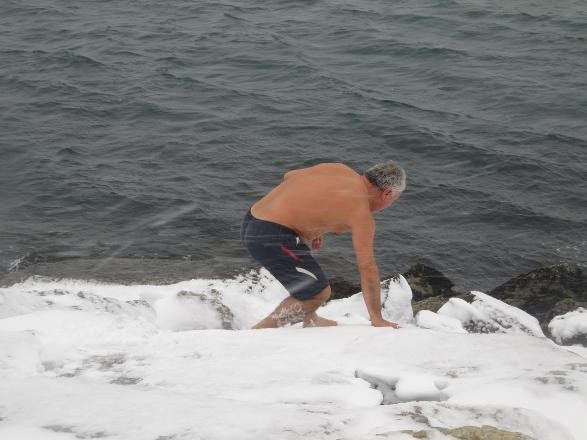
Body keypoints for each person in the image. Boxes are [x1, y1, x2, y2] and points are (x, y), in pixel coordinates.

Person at [240, 161, 406, 329]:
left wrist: (312, 220)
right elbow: (367, 266)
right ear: (387, 193)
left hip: (251, 219)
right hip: (271, 236)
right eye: (393, 200)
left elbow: (290, 176)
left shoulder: (339, 169)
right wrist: (377, 318)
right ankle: (258, 331)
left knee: (308, 278)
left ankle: (310, 319)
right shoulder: (361, 214)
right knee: (319, 292)